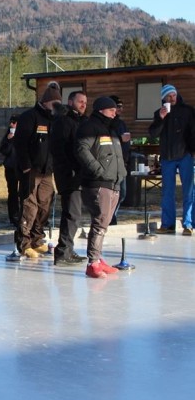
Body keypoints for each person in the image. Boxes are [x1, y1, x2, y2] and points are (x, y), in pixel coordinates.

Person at [75, 96, 126, 278]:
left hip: (114, 182)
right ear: (101, 110)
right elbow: (81, 149)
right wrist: (98, 170)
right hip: (98, 183)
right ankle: (92, 263)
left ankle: (98, 257)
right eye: (111, 110)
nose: (115, 113)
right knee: (99, 221)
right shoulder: (90, 127)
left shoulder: (110, 129)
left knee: (104, 223)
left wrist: (122, 173)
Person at [14, 81, 62, 259]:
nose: (56, 107)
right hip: (31, 170)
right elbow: (20, 143)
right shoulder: (30, 117)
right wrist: (25, 166)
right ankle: (24, 243)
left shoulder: (55, 119)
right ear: (45, 102)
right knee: (30, 206)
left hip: (48, 171)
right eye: (54, 104)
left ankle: (37, 239)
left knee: (44, 206)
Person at [148, 84, 195, 235]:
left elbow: (193, 132)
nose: (172, 98)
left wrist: (193, 151)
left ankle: (189, 224)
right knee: (167, 192)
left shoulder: (188, 111)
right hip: (167, 157)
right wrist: (161, 119)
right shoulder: (159, 113)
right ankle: (167, 224)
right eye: (168, 96)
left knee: (188, 191)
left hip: (185, 155)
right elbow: (153, 133)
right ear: (163, 98)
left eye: (174, 95)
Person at [50, 90, 88, 266]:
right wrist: (72, 169)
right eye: (80, 101)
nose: (83, 105)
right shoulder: (64, 121)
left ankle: (67, 249)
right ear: (71, 102)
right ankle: (63, 251)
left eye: (85, 103)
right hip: (68, 174)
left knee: (73, 214)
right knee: (72, 214)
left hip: (76, 173)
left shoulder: (79, 121)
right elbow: (61, 149)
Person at [109, 95, 132, 225]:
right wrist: (120, 138)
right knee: (114, 192)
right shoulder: (108, 123)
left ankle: (112, 215)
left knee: (122, 193)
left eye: (121, 107)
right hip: (112, 162)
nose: (120, 109)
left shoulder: (121, 123)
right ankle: (110, 218)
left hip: (123, 161)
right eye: (118, 106)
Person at [0, 114, 23, 227]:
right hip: (10, 168)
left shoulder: (24, 134)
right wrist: (9, 139)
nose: (11, 125)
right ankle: (14, 217)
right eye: (11, 123)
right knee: (12, 193)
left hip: (22, 167)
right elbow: (4, 150)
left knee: (24, 193)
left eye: (14, 123)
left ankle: (24, 215)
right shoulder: (9, 135)